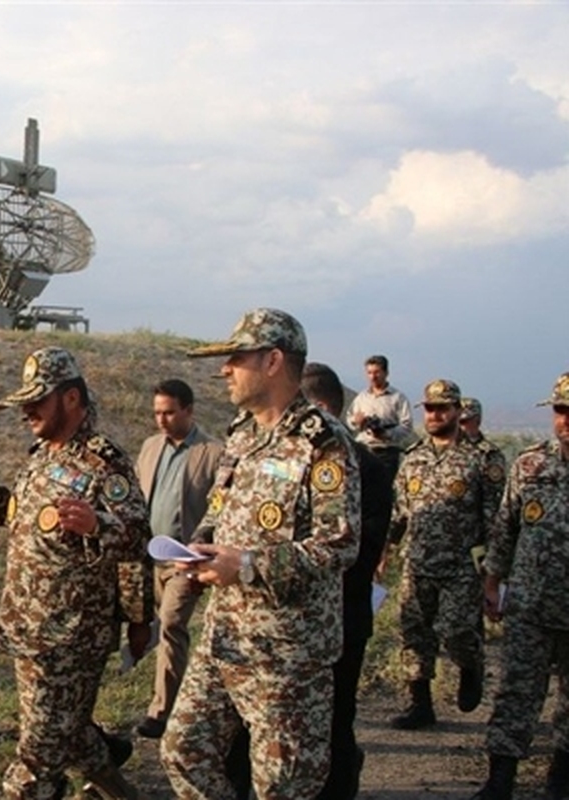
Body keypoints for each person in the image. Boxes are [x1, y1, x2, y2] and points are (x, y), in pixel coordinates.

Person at [0, 347, 150, 800]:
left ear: (70, 399)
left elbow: (138, 537)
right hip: (29, 627)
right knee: (66, 734)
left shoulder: (102, 461)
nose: (26, 410)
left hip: (71, 636)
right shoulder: (43, 455)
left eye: (37, 400)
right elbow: (22, 516)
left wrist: (98, 525)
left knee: (36, 762)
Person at [160, 308, 362, 800]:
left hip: (286, 653)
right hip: (225, 636)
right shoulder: (242, 433)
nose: (225, 368)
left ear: (273, 361)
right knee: (182, 750)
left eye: (236, 358)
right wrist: (199, 546)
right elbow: (222, 506)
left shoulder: (324, 442)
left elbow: (340, 543)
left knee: (282, 787)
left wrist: (246, 566)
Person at [226, 362, 392, 800]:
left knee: (331, 727)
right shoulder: (267, 453)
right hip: (268, 624)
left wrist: (268, 560)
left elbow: (355, 554)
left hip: (337, 624)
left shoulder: (366, 470)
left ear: (318, 409)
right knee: (255, 731)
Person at [469, 373, 569, 800]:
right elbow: (506, 526)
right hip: (530, 601)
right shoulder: (530, 464)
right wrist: (492, 580)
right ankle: (500, 781)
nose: (565, 420)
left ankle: (560, 779)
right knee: (516, 692)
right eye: (561, 411)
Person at [383, 379, 490, 731]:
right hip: (418, 561)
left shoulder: (481, 459)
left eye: (442, 408)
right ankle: (420, 705)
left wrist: (493, 570)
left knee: (458, 629)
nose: (435, 414)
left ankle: (470, 666)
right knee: (414, 633)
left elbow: (495, 518)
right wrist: (386, 549)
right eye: (429, 408)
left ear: (457, 411)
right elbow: (400, 512)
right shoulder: (414, 459)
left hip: (461, 563)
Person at [132, 378, 223, 740]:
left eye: (169, 412)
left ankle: (161, 711)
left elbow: (219, 510)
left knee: (171, 624)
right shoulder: (150, 447)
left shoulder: (213, 453)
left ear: (189, 410)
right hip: (147, 558)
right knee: (146, 627)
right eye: (157, 413)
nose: (162, 420)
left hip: (184, 561)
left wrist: (200, 550)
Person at [346, 354, 413, 480]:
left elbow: (407, 426)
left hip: (387, 452)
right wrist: (357, 421)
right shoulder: (361, 398)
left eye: (377, 372)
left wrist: (387, 433)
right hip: (364, 450)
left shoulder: (398, 398)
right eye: (369, 372)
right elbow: (349, 420)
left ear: (386, 373)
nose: (373, 377)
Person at [461, 397, 508, 526]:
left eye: (464, 421)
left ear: (477, 420)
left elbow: (494, 501)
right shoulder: (444, 451)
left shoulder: (489, 454)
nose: (460, 426)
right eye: (456, 421)